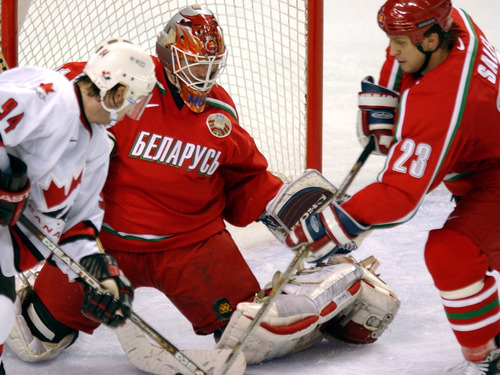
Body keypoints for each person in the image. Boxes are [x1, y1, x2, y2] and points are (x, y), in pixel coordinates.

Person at [6, 5, 401, 372]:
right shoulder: (123, 85)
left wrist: (291, 208)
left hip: (192, 248)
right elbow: (56, 100)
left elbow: (245, 179)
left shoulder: (219, 115)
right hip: (104, 243)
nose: (205, 80)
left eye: (211, 68)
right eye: (195, 67)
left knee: (251, 335)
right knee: (35, 340)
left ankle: (338, 290)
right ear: (169, 58)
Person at [285, 0, 500, 373]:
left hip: (491, 175)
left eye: (401, 42)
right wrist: (388, 89)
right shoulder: (455, 25)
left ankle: (491, 358)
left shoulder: (442, 104)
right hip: (486, 162)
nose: (392, 50)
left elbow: (400, 196)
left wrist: (332, 223)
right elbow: (406, 51)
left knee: (453, 255)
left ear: (432, 40)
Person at [0, 38, 156, 374]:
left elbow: (76, 224)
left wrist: (101, 276)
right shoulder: (50, 97)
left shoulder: (97, 146)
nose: (131, 110)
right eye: (132, 99)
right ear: (116, 91)